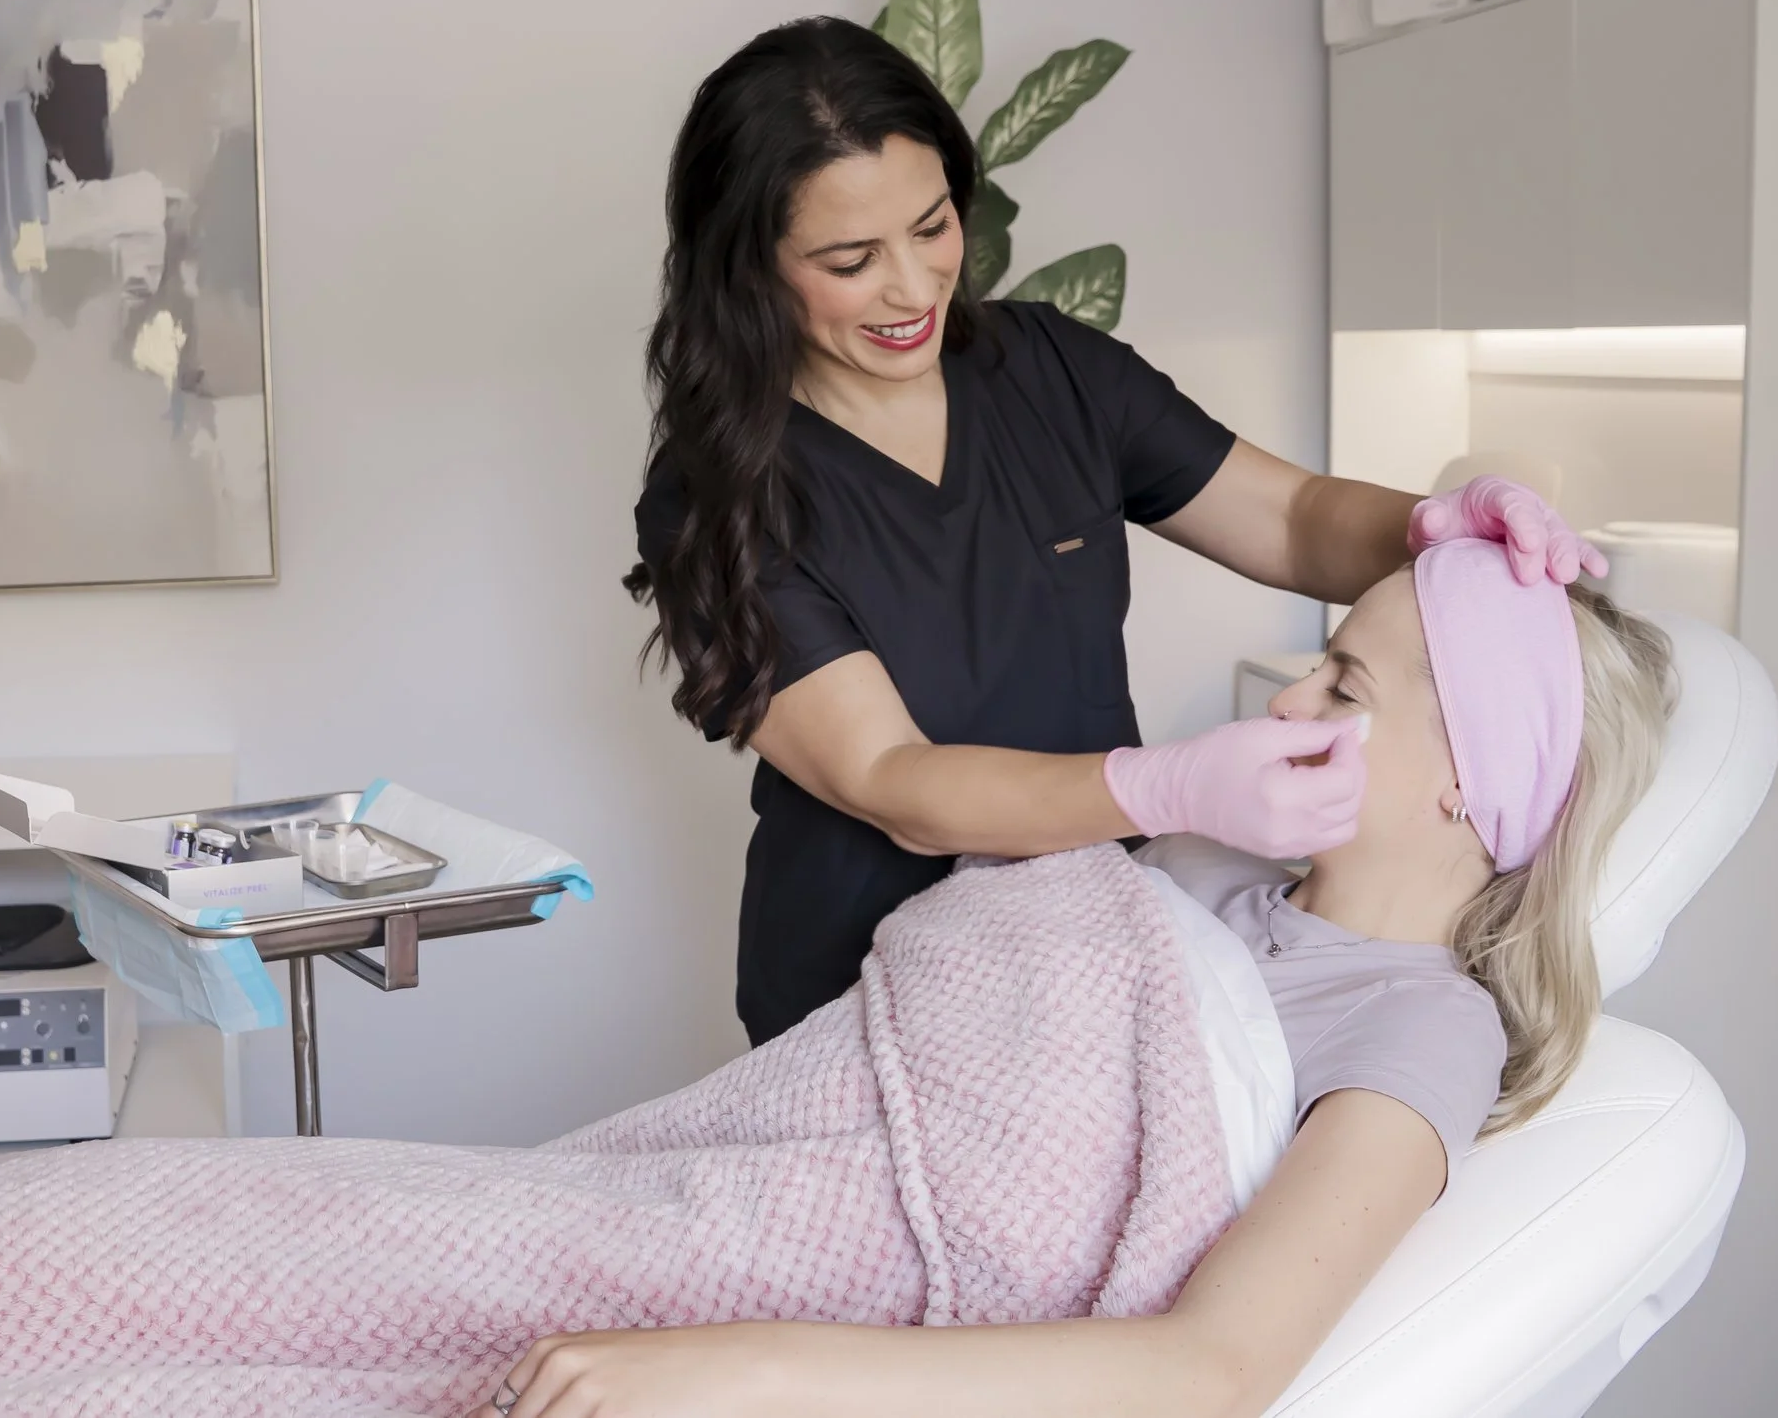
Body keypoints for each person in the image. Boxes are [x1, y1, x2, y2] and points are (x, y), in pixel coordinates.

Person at [491, 539, 1674, 1417]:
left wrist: (744, 1361)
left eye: (1343, 685)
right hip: (710, 1178)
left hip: (811, 1310)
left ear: (1470, 774)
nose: (1287, 700)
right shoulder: (1207, 870)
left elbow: (1211, 1367)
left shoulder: (1422, 1026)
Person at [626, 16, 1606, 1044]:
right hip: (860, 997)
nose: (914, 286)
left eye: (931, 226)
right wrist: (1167, 784)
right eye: (850, 258)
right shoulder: (717, 492)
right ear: (751, 266)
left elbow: (1290, 515)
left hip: (1089, 956)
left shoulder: (1047, 370)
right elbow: (890, 778)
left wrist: (1435, 523)